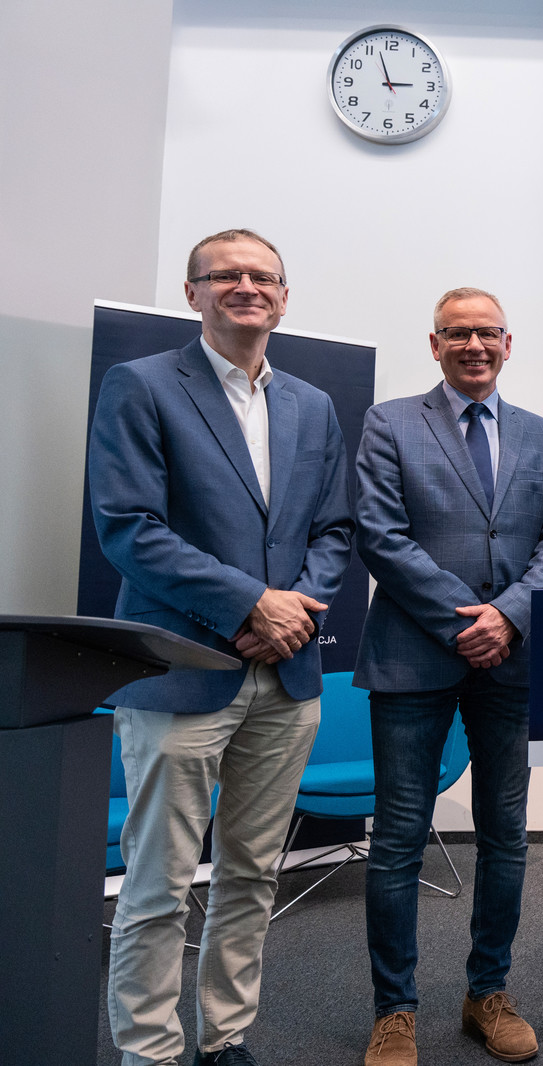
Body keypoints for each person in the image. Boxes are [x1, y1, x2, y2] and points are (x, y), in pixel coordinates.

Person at [90, 228, 354, 1066]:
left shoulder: (312, 405)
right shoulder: (142, 386)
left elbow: (334, 530)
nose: (247, 287)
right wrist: (251, 603)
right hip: (181, 670)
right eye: (226, 275)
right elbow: (130, 529)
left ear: (284, 296)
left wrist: (291, 615)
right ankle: (149, 1051)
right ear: (192, 292)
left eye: (262, 277)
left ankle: (226, 1036)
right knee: (158, 883)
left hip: (287, 675)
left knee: (251, 875)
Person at [354, 287, 543, 1065]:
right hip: (414, 655)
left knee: (505, 836)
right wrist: (465, 620)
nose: (474, 345)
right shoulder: (390, 423)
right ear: (435, 344)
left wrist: (507, 617)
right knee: (398, 841)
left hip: (512, 659)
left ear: (508, 344)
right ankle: (395, 1010)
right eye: (458, 333)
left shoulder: (541, 435)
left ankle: (489, 994)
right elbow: (379, 535)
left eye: (488, 332)